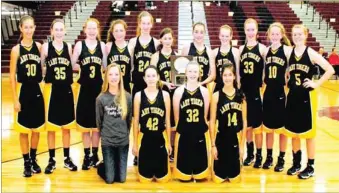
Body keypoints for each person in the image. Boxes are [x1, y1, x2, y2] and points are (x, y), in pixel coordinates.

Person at [284, 24, 334, 179]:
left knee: (308, 134)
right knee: (294, 133)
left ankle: (310, 166)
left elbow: (330, 69)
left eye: (300, 34)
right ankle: (296, 163)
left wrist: (316, 83)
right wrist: (287, 80)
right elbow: (288, 71)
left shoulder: (310, 53)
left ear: (305, 36)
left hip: (307, 98)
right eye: (295, 34)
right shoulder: (290, 52)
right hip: (293, 97)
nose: (297, 37)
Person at [40, 18, 78, 174]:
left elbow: (73, 65)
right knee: (51, 128)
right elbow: (41, 66)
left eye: (61, 29)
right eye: (56, 29)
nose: (59, 32)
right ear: (51, 31)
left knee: (66, 128)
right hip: (52, 90)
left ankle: (67, 159)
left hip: (66, 90)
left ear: (65, 31)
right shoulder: (45, 47)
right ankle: (51, 160)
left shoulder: (69, 47)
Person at [9, 15, 44, 177]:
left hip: (37, 91)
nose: (29, 30)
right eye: (26, 27)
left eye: (31, 27)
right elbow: (11, 77)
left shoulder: (39, 46)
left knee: (36, 130)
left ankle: (33, 158)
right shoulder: (16, 50)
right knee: (24, 130)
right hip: (23, 92)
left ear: (35, 28)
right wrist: (15, 99)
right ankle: (26, 162)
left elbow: (43, 69)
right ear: (21, 28)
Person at [72, 18, 107, 170]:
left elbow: (105, 66)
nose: (92, 31)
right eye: (89, 28)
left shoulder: (102, 45)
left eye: (94, 28)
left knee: (97, 125)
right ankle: (87, 156)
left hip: (98, 91)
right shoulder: (80, 45)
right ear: (85, 30)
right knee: (85, 126)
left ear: (98, 30)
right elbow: (72, 63)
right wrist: (80, 67)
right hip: (84, 90)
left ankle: (95, 153)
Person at [128, 11, 160, 165]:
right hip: (139, 85)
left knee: (151, 117)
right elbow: (131, 66)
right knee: (137, 119)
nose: (146, 26)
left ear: (151, 24)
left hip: (152, 84)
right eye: (143, 23)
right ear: (139, 24)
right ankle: (136, 150)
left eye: (148, 23)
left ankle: (152, 147)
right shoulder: (133, 42)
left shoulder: (155, 42)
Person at [132, 65, 172, 183]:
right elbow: (136, 121)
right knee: (145, 180)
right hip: (145, 141)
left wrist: (169, 143)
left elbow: (168, 121)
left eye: (153, 76)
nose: (151, 79)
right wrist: (134, 144)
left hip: (160, 140)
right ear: (144, 78)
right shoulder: (138, 96)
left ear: (158, 77)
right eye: (148, 76)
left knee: (163, 180)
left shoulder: (165, 95)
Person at [173, 61, 210, 181]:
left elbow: (205, 115)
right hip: (184, 133)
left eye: (195, 71)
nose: (193, 74)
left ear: (199, 73)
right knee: (184, 176)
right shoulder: (178, 92)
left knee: (201, 176)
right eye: (190, 71)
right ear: (186, 73)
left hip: (199, 133)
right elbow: (177, 117)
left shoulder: (204, 92)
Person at [262, 22, 292, 172]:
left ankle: (281, 158)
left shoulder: (287, 50)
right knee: (268, 128)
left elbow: (294, 67)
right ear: (268, 35)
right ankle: (268, 157)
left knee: (281, 129)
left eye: (277, 34)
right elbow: (263, 72)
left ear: (281, 35)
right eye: (272, 34)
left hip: (281, 92)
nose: (274, 36)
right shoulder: (266, 51)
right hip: (268, 92)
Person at [209, 64, 247, 183]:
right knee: (217, 179)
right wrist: (213, 145)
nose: (227, 78)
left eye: (230, 75)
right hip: (221, 139)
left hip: (235, 139)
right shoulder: (216, 96)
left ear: (234, 77)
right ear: (221, 77)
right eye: (225, 75)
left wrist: (242, 146)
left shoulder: (241, 96)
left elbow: (245, 122)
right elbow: (212, 122)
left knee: (234, 179)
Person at [96, 64, 132, 184]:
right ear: (106, 77)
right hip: (108, 142)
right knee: (110, 180)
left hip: (123, 141)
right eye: (110, 74)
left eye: (116, 74)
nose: (113, 77)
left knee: (121, 179)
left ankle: (113, 165)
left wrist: (124, 134)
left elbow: (129, 120)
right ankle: (103, 166)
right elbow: (99, 121)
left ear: (120, 76)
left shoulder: (127, 97)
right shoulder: (101, 98)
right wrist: (106, 136)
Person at [239, 18, 267, 168]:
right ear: (244, 31)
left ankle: (259, 155)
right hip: (244, 93)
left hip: (256, 92)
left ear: (256, 31)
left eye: (252, 29)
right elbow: (238, 72)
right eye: (248, 29)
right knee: (247, 126)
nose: (250, 32)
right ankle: (249, 154)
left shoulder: (262, 49)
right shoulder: (240, 49)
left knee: (257, 127)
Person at [150, 27, 176, 161]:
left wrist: (177, 83)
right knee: (160, 122)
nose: (167, 41)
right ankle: (159, 147)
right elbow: (151, 76)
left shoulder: (176, 55)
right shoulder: (155, 56)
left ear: (173, 40)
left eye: (169, 38)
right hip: (160, 92)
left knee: (172, 123)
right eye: (165, 38)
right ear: (160, 39)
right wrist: (165, 83)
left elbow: (181, 77)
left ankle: (171, 149)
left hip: (173, 93)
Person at [181, 22, 216, 89]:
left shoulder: (209, 52)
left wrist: (200, 83)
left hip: (202, 87)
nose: (198, 35)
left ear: (205, 33)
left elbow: (213, 75)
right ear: (192, 33)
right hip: (187, 87)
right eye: (196, 32)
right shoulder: (186, 49)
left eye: (201, 32)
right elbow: (181, 71)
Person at [106, 19, 132, 93]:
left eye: (121, 30)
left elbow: (132, 67)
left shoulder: (130, 47)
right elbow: (105, 66)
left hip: (125, 84)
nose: (118, 33)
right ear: (112, 33)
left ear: (125, 31)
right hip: (112, 84)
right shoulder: (108, 46)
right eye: (116, 31)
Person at [212, 25, 240, 92]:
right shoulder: (214, 52)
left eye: (227, 36)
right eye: (222, 36)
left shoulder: (236, 52)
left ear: (231, 36)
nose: (224, 38)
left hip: (232, 86)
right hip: (219, 86)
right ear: (219, 36)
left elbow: (238, 72)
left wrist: (238, 86)